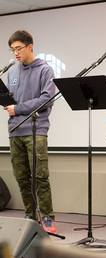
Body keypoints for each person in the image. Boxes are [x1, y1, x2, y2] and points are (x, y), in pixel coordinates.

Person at [4, 30, 56, 233]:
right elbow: (10, 100)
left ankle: (48, 217)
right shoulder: (12, 72)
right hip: (15, 130)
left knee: (40, 176)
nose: (15, 53)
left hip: (36, 130)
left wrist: (18, 108)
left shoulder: (45, 70)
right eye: (12, 50)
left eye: (18, 48)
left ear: (30, 46)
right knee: (21, 176)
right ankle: (29, 214)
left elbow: (46, 100)